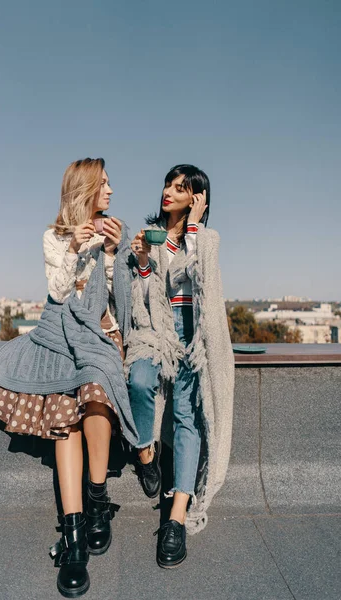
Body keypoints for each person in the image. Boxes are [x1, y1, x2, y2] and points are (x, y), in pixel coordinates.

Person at [0, 158, 138, 598]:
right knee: (63, 410)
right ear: (85, 189)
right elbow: (57, 293)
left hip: (98, 334)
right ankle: (73, 539)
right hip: (58, 332)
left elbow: (121, 298)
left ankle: (99, 502)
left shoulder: (113, 231)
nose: (111, 190)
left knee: (94, 386)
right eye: (104, 184)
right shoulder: (55, 237)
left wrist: (114, 253)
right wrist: (74, 250)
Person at [126, 164, 234, 569]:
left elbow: (198, 277)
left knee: (187, 416)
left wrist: (191, 228)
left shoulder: (207, 239)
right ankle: (145, 453)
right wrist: (141, 261)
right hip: (156, 331)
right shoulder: (151, 236)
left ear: (196, 198)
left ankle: (175, 520)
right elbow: (144, 294)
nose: (168, 192)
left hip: (195, 336)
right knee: (138, 381)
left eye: (180, 188)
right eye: (168, 185)